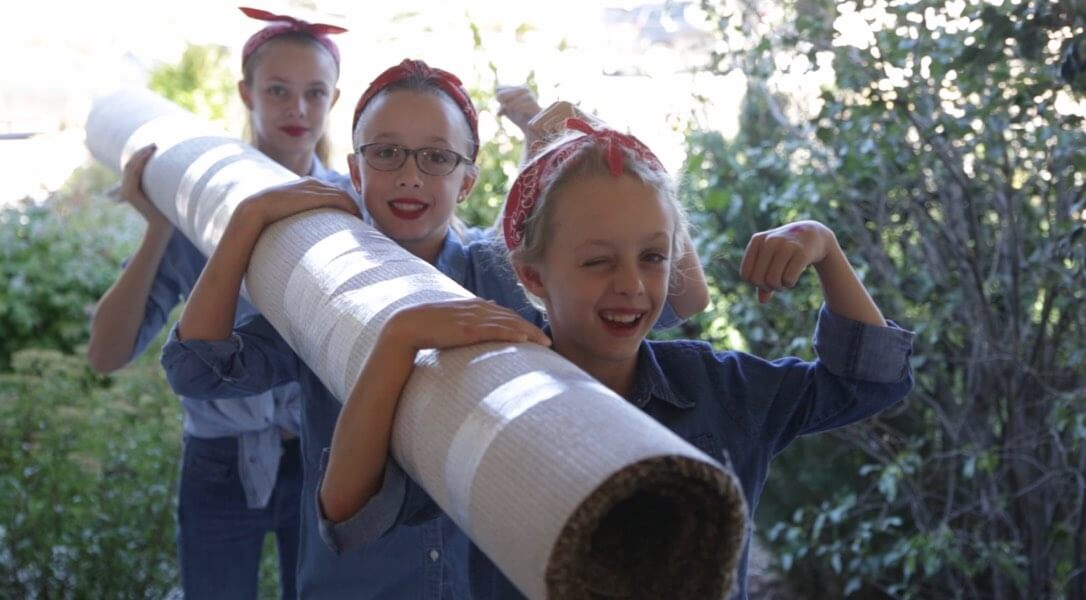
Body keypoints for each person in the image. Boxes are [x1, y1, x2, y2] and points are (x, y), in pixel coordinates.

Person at [160, 59, 710, 598]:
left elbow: (680, 299)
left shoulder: (499, 270)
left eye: (436, 157)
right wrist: (245, 222)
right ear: (355, 170)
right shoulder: (324, 283)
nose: (410, 175)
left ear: (467, 180)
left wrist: (606, 153)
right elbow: (199, 369)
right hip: (360, 584)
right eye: (387, 153)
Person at [318, 118, 915, 598]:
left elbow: (867, 384)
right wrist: (398, 340)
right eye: (598, 261)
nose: (631, 284)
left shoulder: (718, 391)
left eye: (653, 257)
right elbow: (349, 512)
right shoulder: (486, 390)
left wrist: (825, 247)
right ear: (532, 274)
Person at [86, 8, 346, 598]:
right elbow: (105, 354)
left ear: (334, 99)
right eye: (277, 90)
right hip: (220, 461)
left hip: (322, 460)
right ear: (245, 92)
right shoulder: (200, 206)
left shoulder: (350, 208)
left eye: (314, 93)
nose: (297, 110)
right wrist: (158, 225)